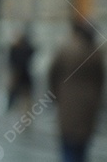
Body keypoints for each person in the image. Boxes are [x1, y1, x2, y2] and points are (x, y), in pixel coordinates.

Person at [49, 18, 105, 162]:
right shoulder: (95, 54)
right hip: (88, 107)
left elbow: (52, 74)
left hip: (67, 104)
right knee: (82, 148)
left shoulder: (65, 50)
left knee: (68, 147)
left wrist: (55, 95)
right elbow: (100, 80)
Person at [6, 29, 34, 113]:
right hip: (18, 77)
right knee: (17, 97)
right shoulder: (14, 49)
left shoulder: (23, 49)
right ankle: (19, 113)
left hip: (23, 77)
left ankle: (25, 115)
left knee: (25, 98)